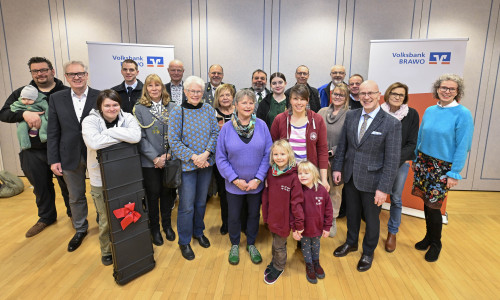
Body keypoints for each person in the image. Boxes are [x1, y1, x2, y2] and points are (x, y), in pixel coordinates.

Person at [332, 80, 401, 272]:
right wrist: (337, 168)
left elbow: (392, 160)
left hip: (374, 181)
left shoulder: (391, 123)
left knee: (371, 219)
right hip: (351, 176)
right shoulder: (352, 116)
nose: (366, 97)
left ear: (379, 95)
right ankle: (351, 242)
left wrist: (384, 188)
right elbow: (343, 145)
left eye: (371, 93)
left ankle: (368, 251)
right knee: (352, 214)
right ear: (358, 96)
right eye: (362, 93)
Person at [0, 56, 71, 237]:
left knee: (69, 186)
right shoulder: (23, 93)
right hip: (32, 150)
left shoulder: (66, 92)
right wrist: (24, 114)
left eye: (43, 70)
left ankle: (74, 215)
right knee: (40, 186)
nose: (39, 74)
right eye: (35, 71)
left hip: (61, 149)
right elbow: (4, 113)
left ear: (52, 71)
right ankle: (46, 217)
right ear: (31, 73)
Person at [412, 74, 473, 262]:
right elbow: (421, 135)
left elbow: (464, 145)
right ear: (437, 89)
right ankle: (428, 237)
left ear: (457, 92)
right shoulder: (430, 110)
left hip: (442, 167)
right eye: (443, 88)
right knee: (426, 202)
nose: (446, 91)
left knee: (434, 206)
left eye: (451, 89)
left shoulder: (463, 114)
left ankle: (436, 243)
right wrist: (416, 157)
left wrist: (455, 173)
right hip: (424, 162)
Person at [82, 89, 141, 265]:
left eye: (115, 104)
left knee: (128, 212)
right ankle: (107, 250)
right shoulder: (90, 120)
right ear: (100, 106)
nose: (112, 108)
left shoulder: (128, 117)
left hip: (125, 175)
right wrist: (122, 135)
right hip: (100, 178)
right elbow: (93, 142)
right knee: (106, 218)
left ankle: (128, 244)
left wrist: (109, 133)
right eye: (107, 105)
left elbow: (136, 136)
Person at [216, 89, 272, 265]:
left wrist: (258, 178)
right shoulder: (226, 128)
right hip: (234, 185)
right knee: (233, 216)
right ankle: (234, 244)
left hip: (256, 184)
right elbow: (221, 157)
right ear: (236, 106)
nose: (248, 106)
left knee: (254, 215)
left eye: (251, 102)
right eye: (244, 102)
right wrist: (234, 179)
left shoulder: (262, 125)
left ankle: (251, 243)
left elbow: (268, 153)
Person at [47, 61, 99, 252]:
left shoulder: (99, 95)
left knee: (99, 192)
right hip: (68, 154)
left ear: (86, 75)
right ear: (66, 77)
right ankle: (80, 229)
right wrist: (53, 159)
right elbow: (52, 131)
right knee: (75, 195)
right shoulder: (56, 98)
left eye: (80, 73)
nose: (76, 77)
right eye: (71, 74)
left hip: (95, 153)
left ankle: (103, 223)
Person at [168, 75, 219, 260]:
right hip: (187, 167)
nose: (196, 94)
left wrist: (205, 154)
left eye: (199, 91)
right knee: (187, 206)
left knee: (200, 202)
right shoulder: (177, 112)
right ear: (185, 92)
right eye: (192, 91)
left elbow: (215, 132)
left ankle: (198, 232)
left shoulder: (207, 109)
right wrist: (194, 157)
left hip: (206, 164)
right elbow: (174, 140)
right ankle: (184, 241)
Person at [133, 74, 177, 246]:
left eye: (157, 85)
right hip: (149, 162)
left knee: (167, 194)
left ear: (162, 87)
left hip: (169, 160)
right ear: (146, 88)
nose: (154, 88)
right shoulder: (139, 109)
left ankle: (167, 225)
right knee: (152, 195)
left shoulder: (172, 106)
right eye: (150, 86)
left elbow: (178, 134)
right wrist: (155, 158)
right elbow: (139, 137)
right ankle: (154, 228)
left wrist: (168, 155)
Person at [380, 82, 419, 252]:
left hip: (399, 164)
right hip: (378, 162)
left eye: (401, 95)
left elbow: (412, 144)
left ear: (405, 98)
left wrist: (393, 160)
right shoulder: (378, 112)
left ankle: (392, 233)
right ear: (387, 94)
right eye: (394, 93)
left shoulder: (412, 115)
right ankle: (372, 231)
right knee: (375, 197)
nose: (396, 97)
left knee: (395, 198)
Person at [271, 84, 330, 192]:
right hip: (286, 174)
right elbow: (272, 149)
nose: (299, 103)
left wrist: (324, 179)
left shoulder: (317, 120)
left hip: (309, 175)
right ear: (290, 100)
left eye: (302, 99)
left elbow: (322, 151)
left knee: (308, 207)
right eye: (295, 99)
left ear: (307, 100)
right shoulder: (280, 119)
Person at [262, 139, 304, 285]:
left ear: (289, 155)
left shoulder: (293, 177)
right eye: (276, 154)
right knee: (276, 243)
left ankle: (279, 267)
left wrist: (298, 224)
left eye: (282, 154)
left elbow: (297, 203)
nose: (279, 157)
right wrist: (265, 215)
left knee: (279, 245)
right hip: (272, 217)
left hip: (284, 220)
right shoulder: (271, 172)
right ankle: (275, 262)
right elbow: (266, 195)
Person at [317, 83, 349, 237]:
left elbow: (349, 139)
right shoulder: (322, 111)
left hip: (339, 159)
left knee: (335, 191)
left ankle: (332, 219)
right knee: (318, 188)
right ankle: (318, 217)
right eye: (335, 94)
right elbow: (313, 133)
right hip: (318, 158)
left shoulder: (350, 115)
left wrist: (331, 153)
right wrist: (321, 155)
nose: (337, 97)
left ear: (346, 97)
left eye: (341, 95)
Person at [293, 161, 332, 284]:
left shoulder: (322, 191)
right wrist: (295, 229)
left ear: (314, 174)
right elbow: (293, 211)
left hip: (318, 228)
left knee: (316, 245)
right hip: (303, 229)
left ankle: (316, 262)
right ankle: (309, 265)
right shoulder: (297, 191)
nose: (302, 176)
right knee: (305, 247)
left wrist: (327, 227)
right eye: (300, 173)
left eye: (306, 173)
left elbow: (328, 210)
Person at [212, 84, 236, 235]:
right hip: (220, 160)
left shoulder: (240, 111)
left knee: (239, 192)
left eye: (228, 95)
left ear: (233, 97)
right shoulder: (212, 114)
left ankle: (240, 222)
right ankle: (226, 222)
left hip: (238, 159)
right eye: (222, 95)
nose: (225, 98)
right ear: (217, 98)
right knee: (223, 192)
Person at [10, 85, 49, 150]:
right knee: (21, 128)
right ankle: (24, 144)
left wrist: (47, 117)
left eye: (29, 99)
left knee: (45, 123)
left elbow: (47, 109)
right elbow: (13, 107)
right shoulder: (19, 102)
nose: (26, 101)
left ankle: (43, 135)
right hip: (26, 120)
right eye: (24, 99)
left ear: (36, 98)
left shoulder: (41, 102)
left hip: (41, 116)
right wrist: (21, 113)